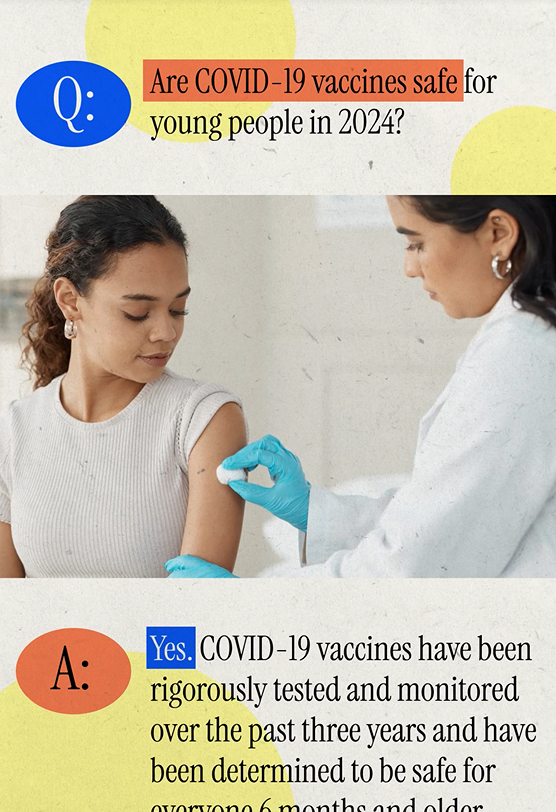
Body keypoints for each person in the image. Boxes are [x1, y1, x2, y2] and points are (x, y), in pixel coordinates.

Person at [170, 195, 556, 578]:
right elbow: (440, 520)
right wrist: (314, 512)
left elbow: (414, 566)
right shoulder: (527, 337)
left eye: (417, 243)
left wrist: (252, 606)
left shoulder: (522, 350)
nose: (409, 267)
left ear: (499, 232)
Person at [0, 195, 246, 577]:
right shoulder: (13, 432)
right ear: (70, 301)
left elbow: (192, 612)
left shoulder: (202, 420)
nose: (166, 332)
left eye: (178, 309)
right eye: (138, 313)